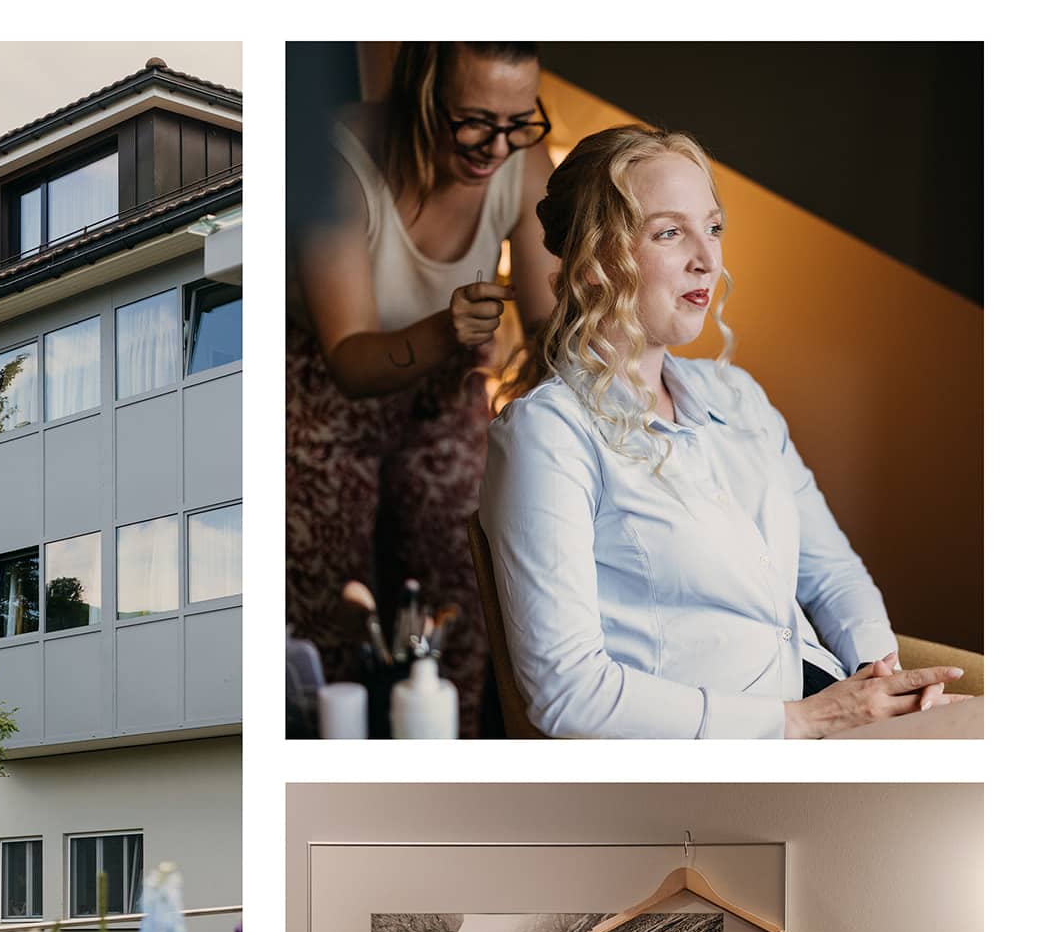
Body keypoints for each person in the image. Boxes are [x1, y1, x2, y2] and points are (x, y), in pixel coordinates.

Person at [477, 125, 969, 739]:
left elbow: (832, 573)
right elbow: (568, 693)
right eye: (668, 232)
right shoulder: (549, 436)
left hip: (827, 709)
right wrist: (803, 720)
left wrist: (877, 670)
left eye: (711, 228)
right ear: (596, 259)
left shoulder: (740, 399)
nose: (706, 258)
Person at [288, 42, 559, 736]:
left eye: (517, 121)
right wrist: (446, 330)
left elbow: (547, 326)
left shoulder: (523, 159)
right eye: (474, 121)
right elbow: (349, 357)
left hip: (444, 394)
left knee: (462, 587)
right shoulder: (334, 160)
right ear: (420, 93)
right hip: (325, 393)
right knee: (329, 609)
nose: (496, 147)